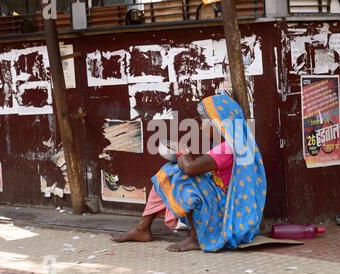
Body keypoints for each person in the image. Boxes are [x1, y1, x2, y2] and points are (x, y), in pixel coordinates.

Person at [112, 95, 267, 252]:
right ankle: (142, 228)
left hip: (224, 211)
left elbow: (189, 169)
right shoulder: (230, 144)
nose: (200, 126)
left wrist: (181, 149)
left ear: (218, 122)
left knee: (182, 178)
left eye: (203, 120)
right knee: (168, 172)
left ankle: (196, 238)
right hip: (219, 202)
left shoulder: (227, 148)